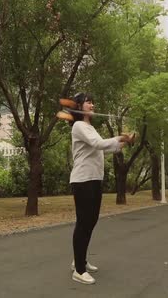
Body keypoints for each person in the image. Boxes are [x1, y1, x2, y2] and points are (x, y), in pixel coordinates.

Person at [68, 92, 134, 285]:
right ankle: (79, 271)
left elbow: (107, 148)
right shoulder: (79, 126)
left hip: (94, 179)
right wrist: (119, 137)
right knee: (84, 223)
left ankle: (79, 259)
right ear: (79, 106)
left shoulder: (89, 127)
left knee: (91, 222)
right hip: (83, 180)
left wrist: (124, 141)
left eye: (93, 102)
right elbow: (98, 143)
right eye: (88, 102)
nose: (92, 105)